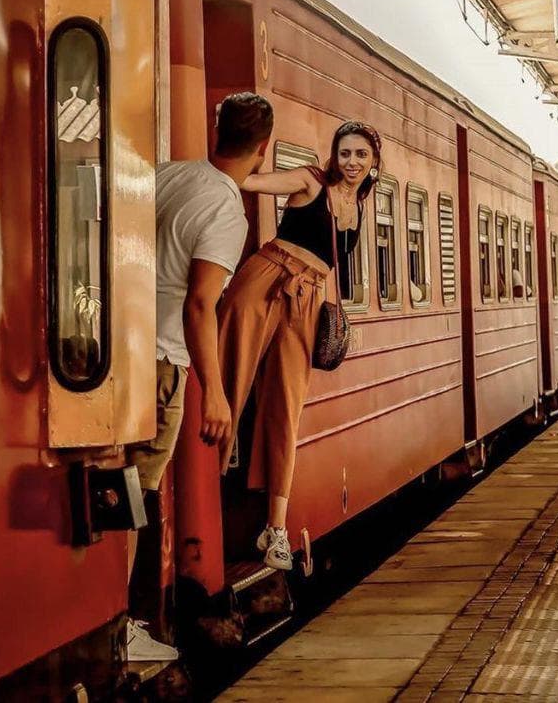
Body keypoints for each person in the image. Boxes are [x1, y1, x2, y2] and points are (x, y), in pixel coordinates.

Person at [126, 91, 274, 662]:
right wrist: (213, 391)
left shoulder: (167, 175)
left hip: (121, 348)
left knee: (122, 490)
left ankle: (133, 619)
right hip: (163, 362)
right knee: (144, 492)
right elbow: (199, 304)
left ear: (218, 132)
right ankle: (136, 623)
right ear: (262, 149)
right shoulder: (224, 211)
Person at [217, 121, 382, 571]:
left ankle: (275, 531)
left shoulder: (358, 208)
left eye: (360, 155)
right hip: (267, 279)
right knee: (228, 382)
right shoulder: (309, 180)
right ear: (334, 155)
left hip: (308, 298)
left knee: (285, 407)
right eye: (345, 153)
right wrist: (236, 159)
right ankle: (205, 488)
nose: (351, 161)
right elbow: (249, 181)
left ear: (373, 164)